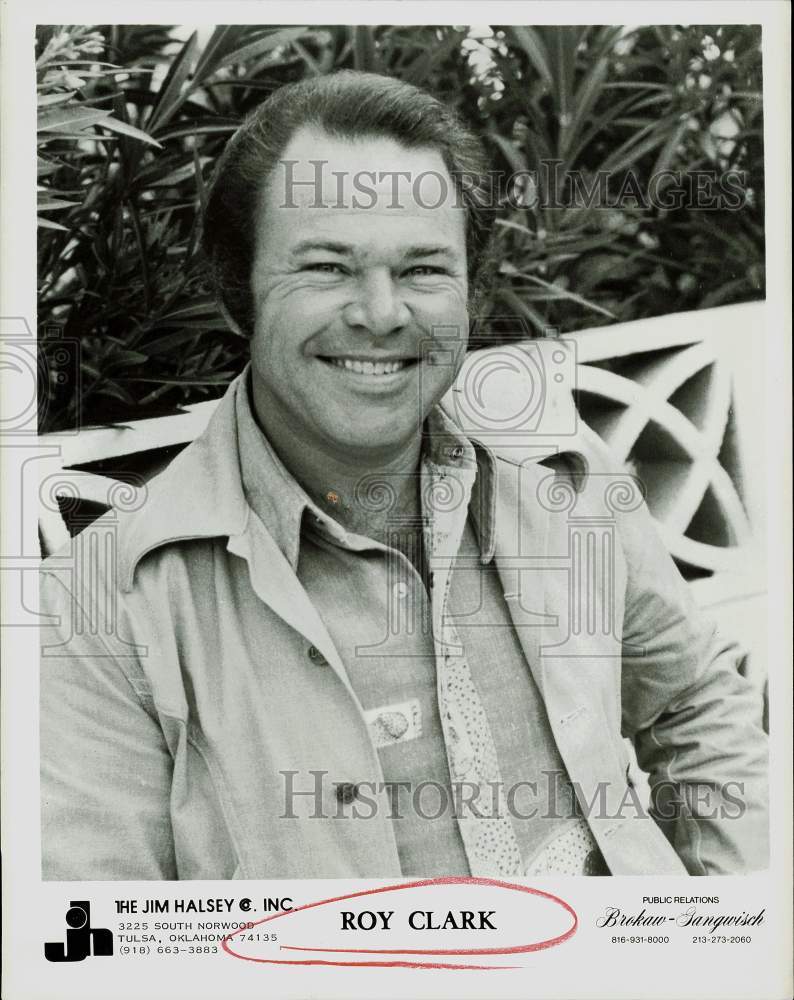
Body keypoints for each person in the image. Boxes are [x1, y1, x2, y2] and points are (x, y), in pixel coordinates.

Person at [39, 70, 767, 880]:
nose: (382, 314)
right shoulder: (103, 606)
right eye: (326, 267)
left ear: (470, 286)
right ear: (235, 289)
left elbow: (693, 703)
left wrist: (731, 928)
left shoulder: (563, 477)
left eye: (423, 269)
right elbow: (99, 930)